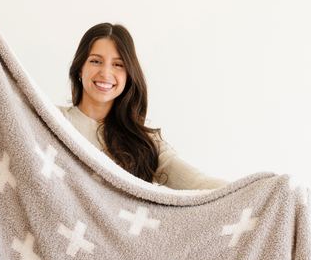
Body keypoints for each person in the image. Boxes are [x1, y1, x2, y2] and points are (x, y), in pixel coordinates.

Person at [56, 23, 229, 190]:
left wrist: (252, 191)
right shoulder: (52, 119)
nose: (105, 73)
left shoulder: (145, 143)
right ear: (80, 68)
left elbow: (200, 183)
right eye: (95, 61)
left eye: (118, 64)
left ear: (129, 75)